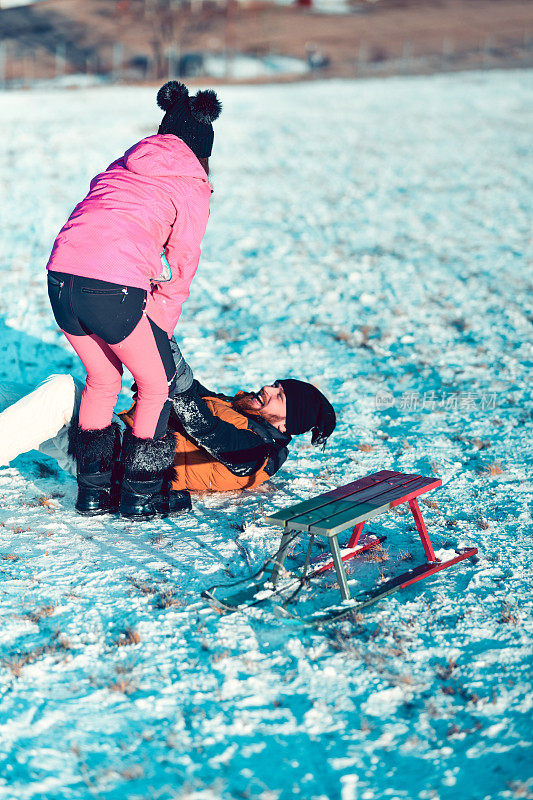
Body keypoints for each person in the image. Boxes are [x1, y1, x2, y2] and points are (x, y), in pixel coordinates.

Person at [44, 81, 222, 519]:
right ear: (202, 152)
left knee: (104, 381)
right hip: (111, 290)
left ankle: (93, 493)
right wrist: (161, 322)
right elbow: (182, 262)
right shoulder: (192, 184)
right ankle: (140, 496)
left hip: (60, 281)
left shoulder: (123, 164)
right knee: (156, 382)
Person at [0, 350, 336, 519]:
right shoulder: (242, 411)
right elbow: (196, 393)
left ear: (283, 426)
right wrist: (164, 354)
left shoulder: (254, 452)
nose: (267, 389)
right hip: (110, 442)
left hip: (117, 466)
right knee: (9, 394)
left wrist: (170, 385)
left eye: (279, 397)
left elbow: (204, 425)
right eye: (275, 385)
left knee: (61, 390)